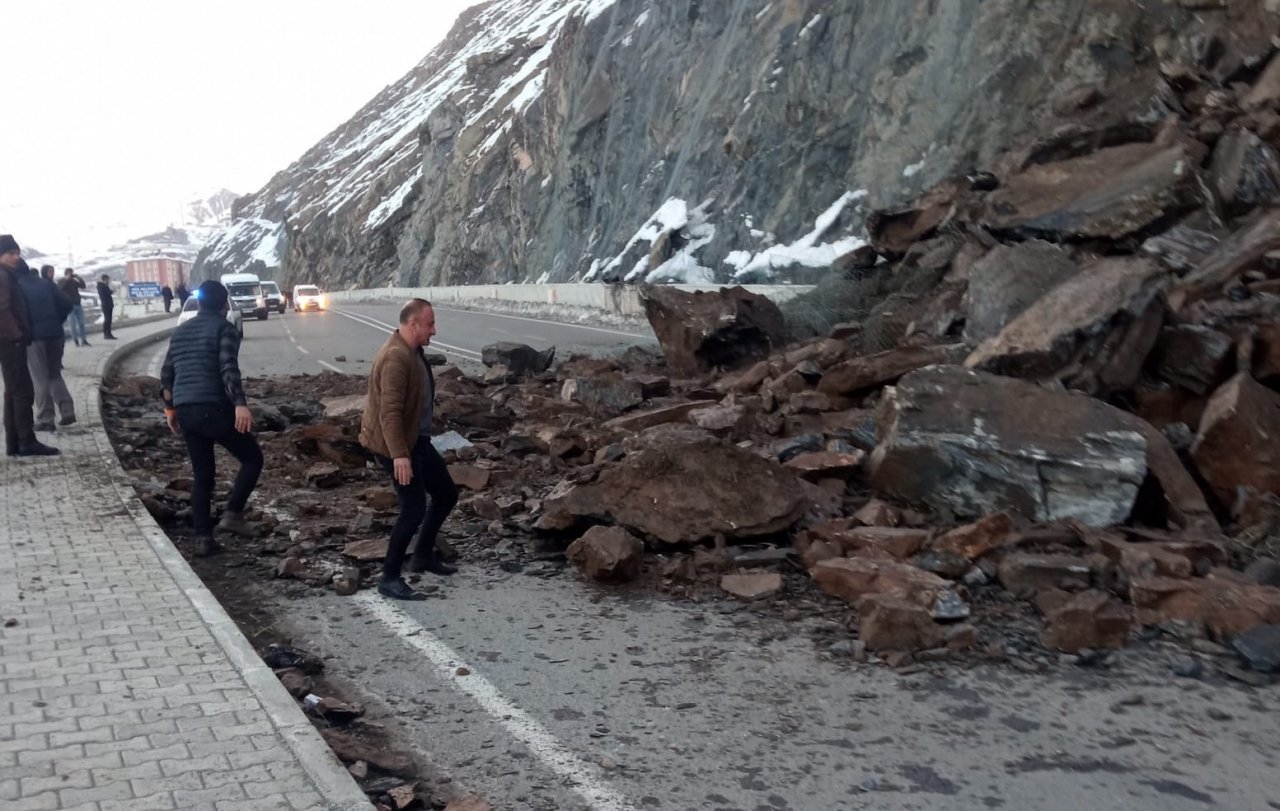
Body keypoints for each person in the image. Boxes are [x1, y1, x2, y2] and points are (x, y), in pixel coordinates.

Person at [359, 298, 458, 600]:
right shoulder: (395, 358)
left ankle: (423, 555)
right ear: (413, 324)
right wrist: (400, 456)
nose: (434, 330)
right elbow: (389, 413)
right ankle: (389, 578)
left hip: (416, 440)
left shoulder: (413, 351)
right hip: (396, 445)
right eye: (430, 324)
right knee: (413, 509)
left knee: (446, 494)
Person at [160, 280, 262, 557]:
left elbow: (167, 373)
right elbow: (228, 368)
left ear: (200, 303)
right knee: (253, 459)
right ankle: (232, 514)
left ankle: (204, 538)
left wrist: (170, 408)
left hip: (186, 409)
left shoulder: (180, 332)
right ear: (224, 303)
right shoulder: (225, 329)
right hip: (214, 408)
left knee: (203, 474)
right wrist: (240, 404)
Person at [0, 236, 57, 456]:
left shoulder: (7, 275)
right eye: (11, 253)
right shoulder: (3, 276)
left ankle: (14, 442)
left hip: (8, 340)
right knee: (23, 391)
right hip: (9, 341)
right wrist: (16, 335)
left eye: (17, 252)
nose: (16, 257)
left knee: (12, 392)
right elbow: (2, 310)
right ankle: (26, 441)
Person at [18, 263, 75, 431]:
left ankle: (45, 418)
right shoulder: (46, 283)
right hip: (55, 335)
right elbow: (67, 304)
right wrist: (56, 321)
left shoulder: (17, 286)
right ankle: (67, 410)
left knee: (39, 377)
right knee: (54, 374)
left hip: (34, 338)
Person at [58, 267, 88, 347]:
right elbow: (60, 289)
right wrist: (67, 280)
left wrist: (78, 278)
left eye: (72, 273)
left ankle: (83, 340)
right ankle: (75, 340)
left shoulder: (74, 281)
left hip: (78, 304)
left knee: (81, 323)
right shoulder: (61, 281)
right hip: (69, 305)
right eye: (69, 273)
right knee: (72, 324)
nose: (71, 274)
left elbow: (83, 286)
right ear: (66, 274)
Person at [97, 273, 117, 340]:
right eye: (108, 279)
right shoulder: (102, 286)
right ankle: (106, 334)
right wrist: (111, 291)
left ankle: (109, 333)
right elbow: (107, 293)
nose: (109, 281)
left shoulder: (104, 286)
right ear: (105, 279)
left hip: (108, 305)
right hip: (106, 305)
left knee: (109, 320)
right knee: (107, 320)